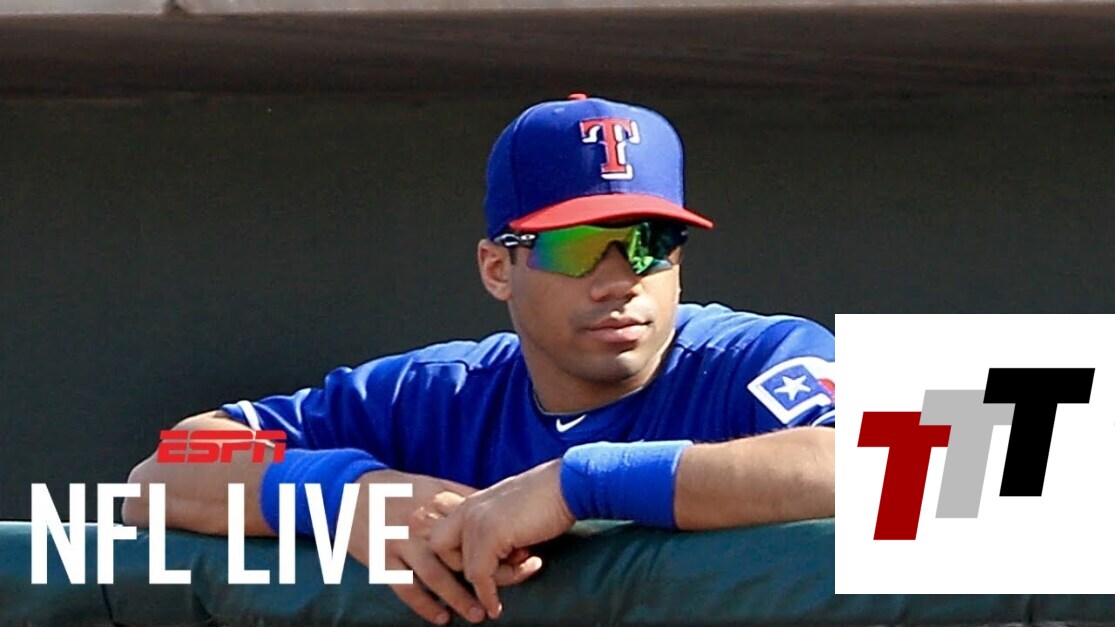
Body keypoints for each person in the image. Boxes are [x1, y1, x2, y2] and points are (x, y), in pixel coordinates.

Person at [123, 93, 836, 625]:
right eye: (576, 247)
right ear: (497, 269)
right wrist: (346, 493)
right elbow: (160, 471)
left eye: (650, 242)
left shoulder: (755, 356)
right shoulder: (438, 393)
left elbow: (902, 471)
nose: (620, 280)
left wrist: (580, 483)